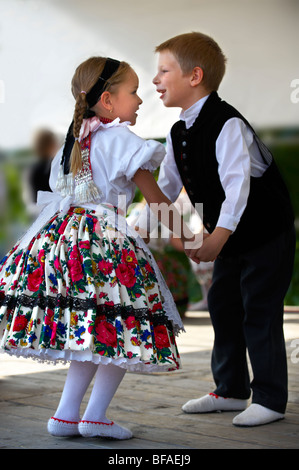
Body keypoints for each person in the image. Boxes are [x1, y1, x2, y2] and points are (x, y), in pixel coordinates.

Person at [0, 57, 200, 440]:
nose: (140, 100)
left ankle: (66, 414)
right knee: (124, 324)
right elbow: (157, 201)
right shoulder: (121, 140)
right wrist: (189, 239)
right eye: (133, 92)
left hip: (64, 243)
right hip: (105, 243)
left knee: (92, 329)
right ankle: (93, 415)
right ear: (107, 101)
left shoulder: (71, 143)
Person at [150, 32, 295, 427]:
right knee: (224, 307)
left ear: (194, 76)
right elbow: (163, 189)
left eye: (163, 70)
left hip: (266, 233)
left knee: (259, 310)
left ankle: (269, 397)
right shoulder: (178, 130)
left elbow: (237, 187)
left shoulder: (227, 122)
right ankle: (231, 390)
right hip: (228, 236)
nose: (155, 79)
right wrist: (150, 222)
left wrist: (214, 238)